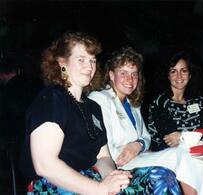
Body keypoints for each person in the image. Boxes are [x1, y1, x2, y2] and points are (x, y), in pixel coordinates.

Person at [20, 32, 132, 194]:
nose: (89, 67)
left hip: (91, 178)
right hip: (55, 185)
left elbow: (103, 157)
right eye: (81, 60)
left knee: (159, 176)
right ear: (62, 63)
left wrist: (112, 177)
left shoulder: (93, 107)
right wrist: (99, 189)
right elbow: (44, 164)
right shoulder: (52, 99)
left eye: (92, 60)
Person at [88, 46, 182, 194]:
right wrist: (132, 151)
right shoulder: (100, 99)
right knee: (177, 157)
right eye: (123, 73)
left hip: (138, 157)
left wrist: (138, 145)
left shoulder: (132, 103)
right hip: (117, 166)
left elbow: (146, 137)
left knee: (181, 153)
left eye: (134, 74)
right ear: (111, 75)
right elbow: (105, 152)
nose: (130, 79)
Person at [147, 51, 203, 152]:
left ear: (190, 74)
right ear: (168, 76)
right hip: (166, 156)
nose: (179, 76)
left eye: (183, 71)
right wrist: (193, 135)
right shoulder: (160, 102)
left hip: (195, 151)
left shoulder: (199, 101)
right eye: (173, 71)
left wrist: (181, 136)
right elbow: (171, 140)